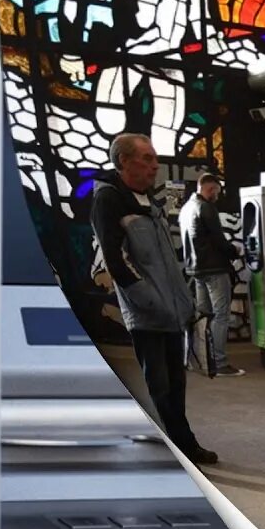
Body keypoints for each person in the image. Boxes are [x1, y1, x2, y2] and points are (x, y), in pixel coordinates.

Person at [91, 133, 218, 466]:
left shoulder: (150, 199)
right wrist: (151, 302)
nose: (154, 164)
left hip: (172, 311)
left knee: (177, 384)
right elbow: (117, 261)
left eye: (154, 157)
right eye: (146, 158)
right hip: (148, 315)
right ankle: (182, 448)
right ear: (124, 161)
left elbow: (165, 260)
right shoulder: (109, 201)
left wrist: (182, 302)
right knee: (161, 387)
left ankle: (182, 442)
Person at [179, 173, 244, 377]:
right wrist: (235, 251)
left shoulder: (186, 208)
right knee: (221, 315)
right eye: (217, 190)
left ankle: (200, 360)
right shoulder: (206, 208)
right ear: (210, 189)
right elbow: (218, 239)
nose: (218, 194)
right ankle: (219, 363)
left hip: (196, 270)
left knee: (203, 316)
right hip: (215, 269)